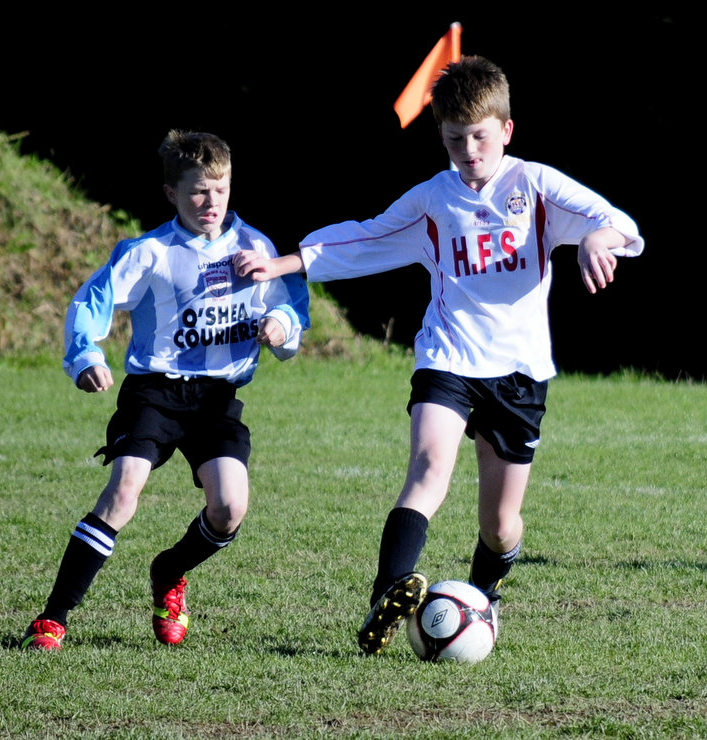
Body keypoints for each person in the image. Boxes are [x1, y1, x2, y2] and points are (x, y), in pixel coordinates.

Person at [234, 55, 643, 655]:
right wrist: (288, 262)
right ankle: (388, 592)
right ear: (442, 137)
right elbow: (367, 236)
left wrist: (599, 242)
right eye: (455, 139)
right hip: (448, 357)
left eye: (480, 136)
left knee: (501, 527)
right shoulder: (433, 198)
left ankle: (480, 601)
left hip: (520, 372)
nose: (469, 151)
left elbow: (615, 223)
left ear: (506, 130)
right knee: (428, 472)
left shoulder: (535, 186)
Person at [22, 130, 311, 651]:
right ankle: (53, 618)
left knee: (229, 509)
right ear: (171, 194)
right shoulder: (150, 251)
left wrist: (281, 327)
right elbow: (93, 301)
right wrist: (85, 354)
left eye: (220, 189)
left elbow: (293, 308)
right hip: (155, 392)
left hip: (217, 399)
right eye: (198, 191)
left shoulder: (255, 248)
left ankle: (170, 571)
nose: (211, 201)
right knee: (123, 491)